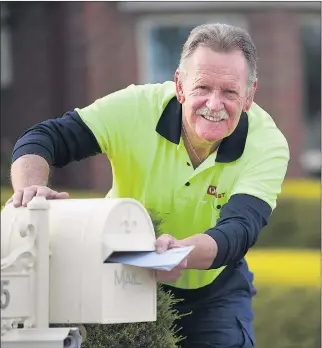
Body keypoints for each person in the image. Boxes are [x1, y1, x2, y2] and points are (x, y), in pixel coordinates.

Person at [7, 23, 289, 347]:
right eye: (202, 88)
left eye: (229, 91)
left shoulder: (267, 144)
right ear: (180, 86)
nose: (214, 104)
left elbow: (239, 229)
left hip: (213, 292)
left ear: (250, 95)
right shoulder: (135, 108)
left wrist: (180, 254)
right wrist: (30, 190)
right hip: (121, 276)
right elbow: (44, 138)